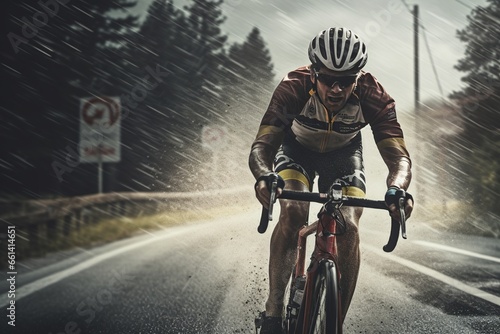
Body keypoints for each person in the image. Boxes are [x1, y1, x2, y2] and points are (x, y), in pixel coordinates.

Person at [249, 27, 414, 334]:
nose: (336, 89)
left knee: (349, 227)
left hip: (343, 155)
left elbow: (400, 159)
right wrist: (264, 176)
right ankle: (273, 311)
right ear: (313, 74)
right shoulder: (293, 88)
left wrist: (397, 189)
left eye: (346, 80)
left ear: (358, 77)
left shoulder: (373, 95)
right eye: (328, 79)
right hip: (297, 151)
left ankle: (335, 323)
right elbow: (262, 147)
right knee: (294, 213)